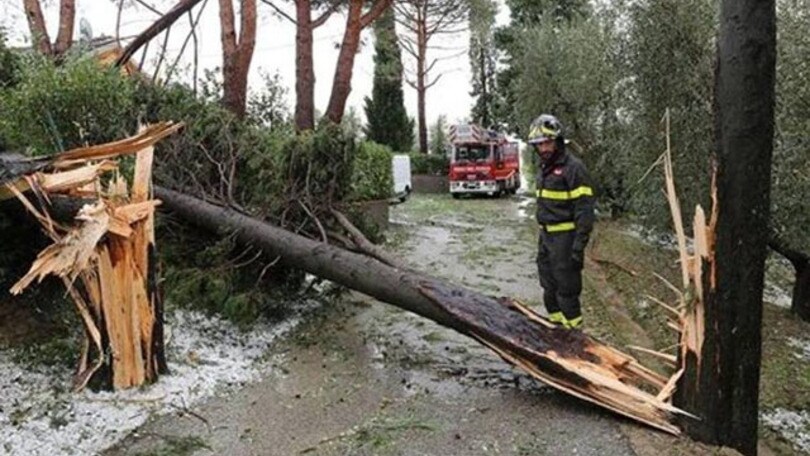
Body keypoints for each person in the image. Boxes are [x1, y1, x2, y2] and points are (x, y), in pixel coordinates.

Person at [528, 114, 595, 329]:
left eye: (547, 142)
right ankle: (555, 331)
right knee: (549, 288)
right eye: (539, 144)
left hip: (565, 239)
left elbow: (584, 210)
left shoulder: (573, 168)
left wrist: (578, 247)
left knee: (567, 291)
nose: (543, 148)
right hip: (546, 237)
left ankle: (574, 338)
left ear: (557, 140)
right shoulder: (544, 168)